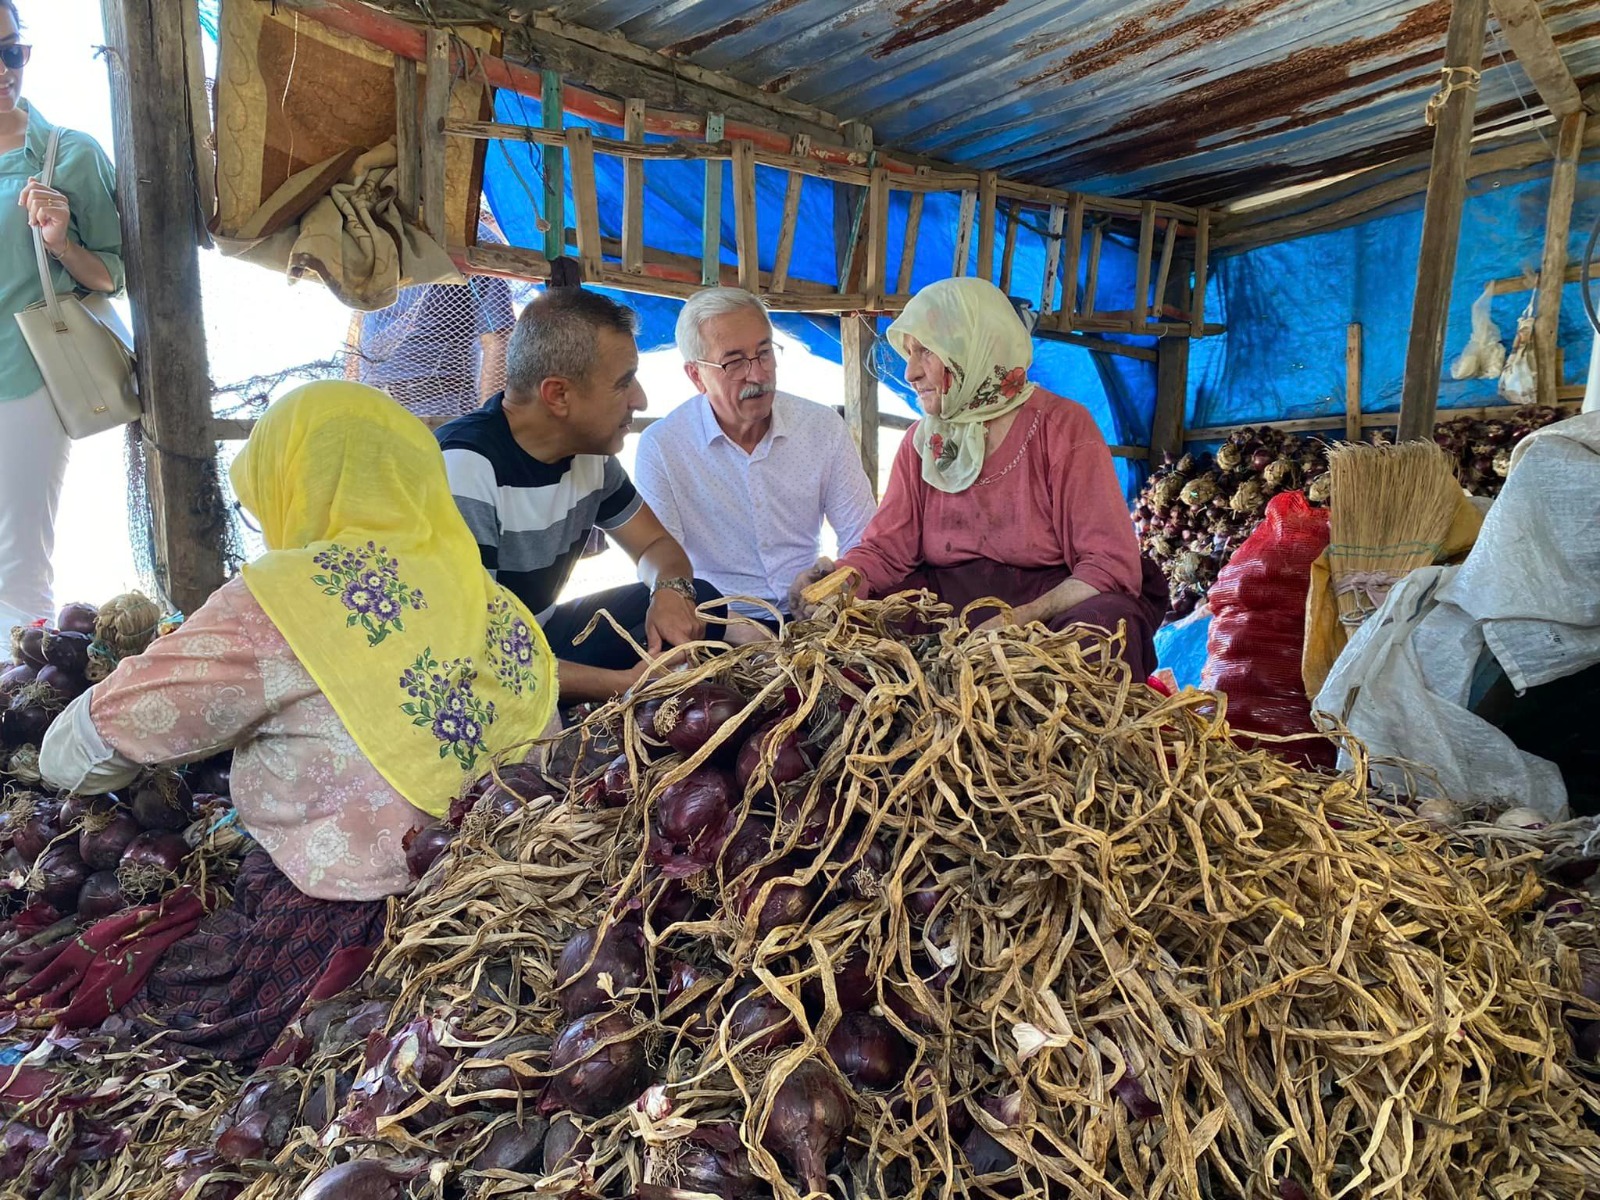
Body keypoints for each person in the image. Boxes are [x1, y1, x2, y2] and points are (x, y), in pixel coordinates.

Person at [32, 382, 558, 1061]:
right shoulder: (496, 602)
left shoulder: (288, 597)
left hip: (340, 934)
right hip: (508, 920)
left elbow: (81, 751)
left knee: (138, 993)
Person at [791, 276, 1167, 678]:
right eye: (909, 352)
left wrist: (1018, 620)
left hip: (1049, 608)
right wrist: (841, 582)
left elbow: (1108, 564)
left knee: (1106, 632)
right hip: (946, 611)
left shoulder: (1062, 425)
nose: (911, 372)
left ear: (973, 347)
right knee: (851, 638)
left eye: (926, 352)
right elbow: (885, 552)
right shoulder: (922, 441)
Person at [437, 287, 729, 703]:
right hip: (480, 665)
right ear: (558, 395)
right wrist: (625, 685)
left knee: (702, 603)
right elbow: (471, 652)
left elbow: (655, 545)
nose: (640, 399)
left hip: (542, 636)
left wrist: (671, 591)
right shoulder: (466, 468)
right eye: (623, 382)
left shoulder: (589, 454)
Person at [633, 287, 876, 623]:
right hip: (716, 622)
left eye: (765, 353)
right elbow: (661, 567)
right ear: (696, 376)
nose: (758, 375)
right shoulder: (663, 447)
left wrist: (834, 586)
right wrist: (732, 629)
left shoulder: (821, 427)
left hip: (813, 615)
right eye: (734, 363)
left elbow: (864, 538)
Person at [0, 2, 124, 630]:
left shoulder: (67, 155)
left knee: (17, 568)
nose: (3, 69)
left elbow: (113, 276)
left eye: (10, 51)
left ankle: (15, 713)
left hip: (23, 378)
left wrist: (61, 244)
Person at [350, 217, 516, 426]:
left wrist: (487, 425)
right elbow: (358, 329)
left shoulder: (472, 240)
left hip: (437, 407)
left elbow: (498, 338)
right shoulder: (377, 238)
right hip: (373, 408)